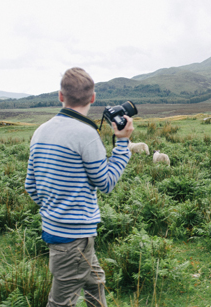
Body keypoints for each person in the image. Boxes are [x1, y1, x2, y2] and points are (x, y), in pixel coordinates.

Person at [25, 67, 134, 307]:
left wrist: (55, 210)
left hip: (63, 231)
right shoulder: (86, 135)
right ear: (93, 98)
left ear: (60, 96)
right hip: (73, 236)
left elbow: (30, 186)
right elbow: (105, 183)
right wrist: (123, 144)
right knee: (61, 302)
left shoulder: (40, 131)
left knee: (95, 282)